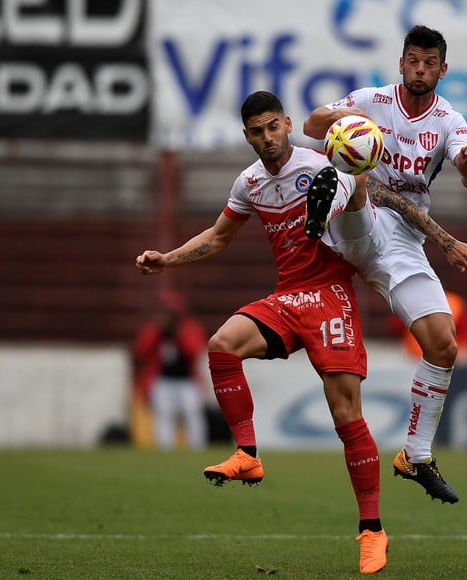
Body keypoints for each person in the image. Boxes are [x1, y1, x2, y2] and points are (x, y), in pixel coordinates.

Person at [135, 91, 388, 574]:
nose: (268, 138)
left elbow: (356, 193)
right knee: (221, 345)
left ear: (288, 124)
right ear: (247, 135)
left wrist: (347, 188)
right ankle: (247, 454)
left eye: (274, 127)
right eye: (258, 131)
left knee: (345, 415)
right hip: (288, 295)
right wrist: (166, 259)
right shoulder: (249, 182)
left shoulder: (321, 164)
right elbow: (217, 238)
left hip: (330, 293)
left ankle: (372, 531)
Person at [302, 24, 467, 504]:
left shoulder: (449, 120)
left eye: (430, 63)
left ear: (443, 70)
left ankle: (416, 456)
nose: (420, 70)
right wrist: (338, 115)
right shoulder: (371, 101)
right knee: (353, 171)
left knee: (443, 344)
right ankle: (321, 212)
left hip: (405, 240)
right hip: (362, 216)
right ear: (401, 63)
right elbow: (312, 126)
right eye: (413, 61)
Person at [132, 290, 208, 450]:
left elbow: (194, 351)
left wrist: (178, 334)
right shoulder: (154, 330)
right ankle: (165, 451)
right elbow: (141, 350)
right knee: (163, 415)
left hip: (187, 382)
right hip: (163, 381)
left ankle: (198, 449)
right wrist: (158, 332)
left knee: (192, 414)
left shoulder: (190, 328)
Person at [392, 291, 467, 367]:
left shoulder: (453, 303)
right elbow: (396, 326)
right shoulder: (453, 303)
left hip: (439, 362)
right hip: (417, 360)